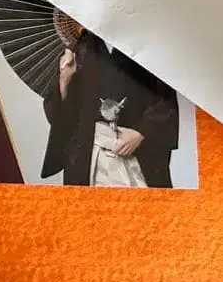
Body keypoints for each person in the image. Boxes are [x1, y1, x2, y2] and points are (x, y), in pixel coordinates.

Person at [41, 27, 178, 188]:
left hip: (134, 150)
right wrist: (64, 80)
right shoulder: (80, 47)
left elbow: (166, 99)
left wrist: (141, 132)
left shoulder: (149, 43)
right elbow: (61, 118)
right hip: (88, 153)